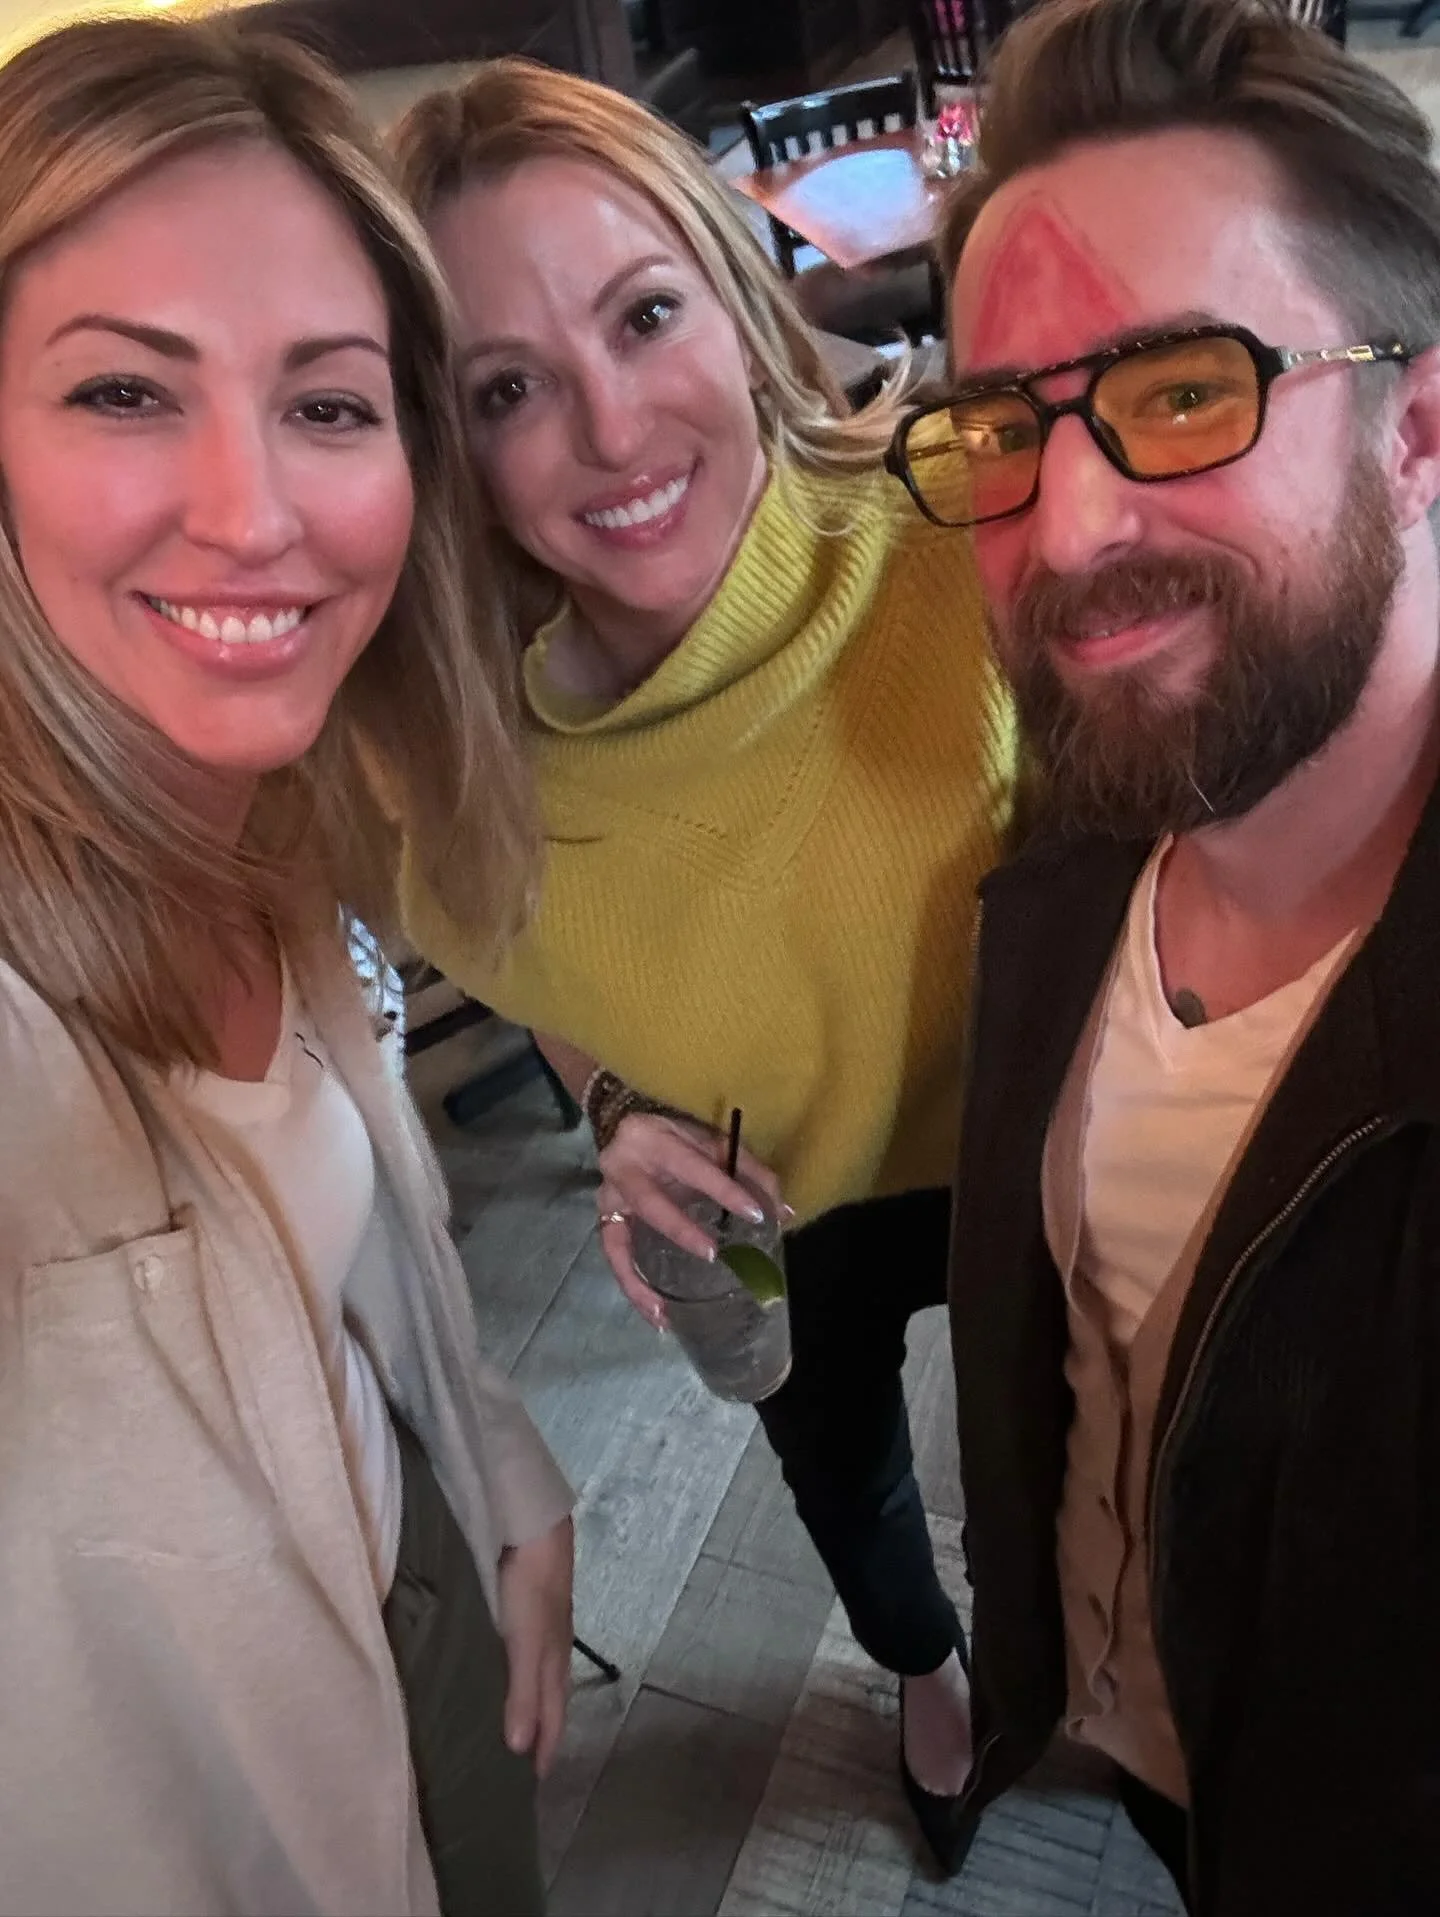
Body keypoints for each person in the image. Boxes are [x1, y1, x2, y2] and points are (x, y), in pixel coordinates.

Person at [387, 57, 1016, 1865]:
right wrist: (612, 1106)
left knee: (1061, 1448)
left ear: (740, 304)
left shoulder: (967, 530)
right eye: (506, 388)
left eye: (645, 314)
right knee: (839, 1467)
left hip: (1031, 1150)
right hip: (772, 1198)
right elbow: (532, 967)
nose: (610, 427)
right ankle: (926, 1674)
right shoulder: (450, 763)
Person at [0, 17, 574, 1915]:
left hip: (423, 1604)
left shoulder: (280, 819)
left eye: (329, 405)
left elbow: (351, 1242)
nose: (254, 515)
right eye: (122, 393)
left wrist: (496, 1472)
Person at [897, 0, 1440, 1907]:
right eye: (1002, 430)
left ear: (1419, 425)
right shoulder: (1074, 844)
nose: (1068, 529)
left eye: (1189, 392)